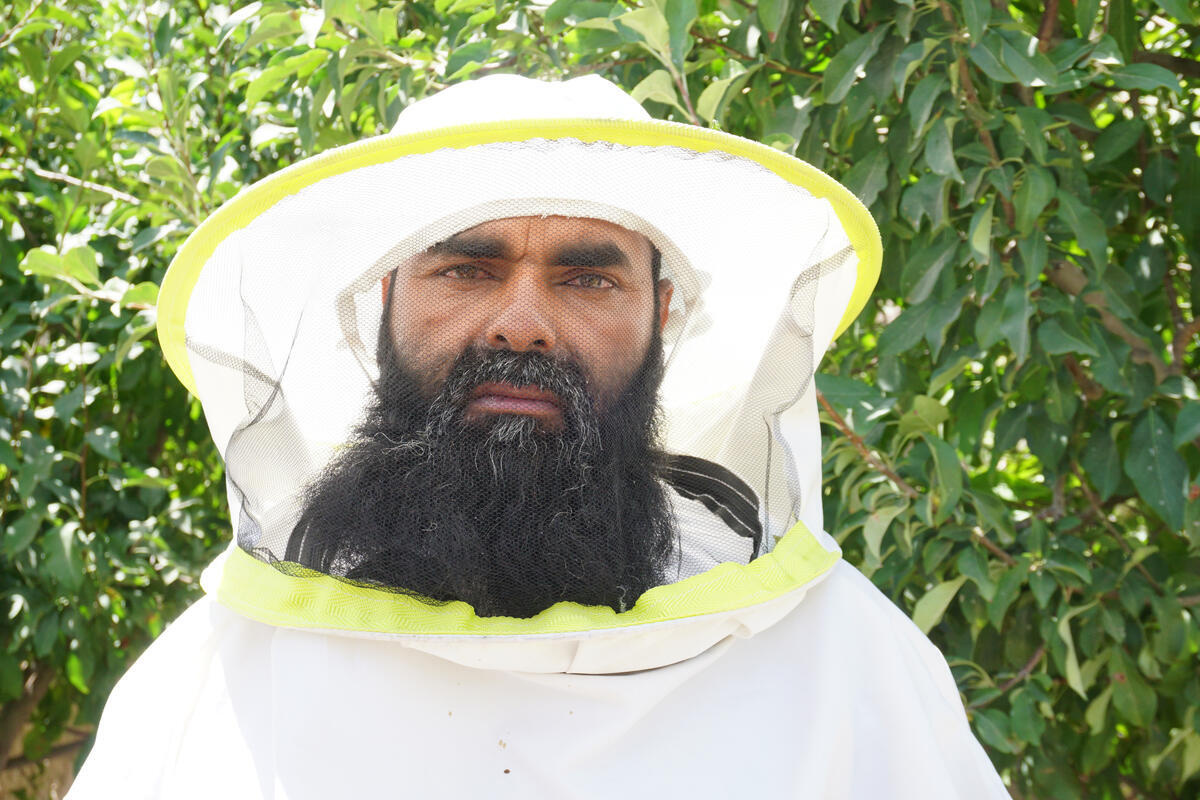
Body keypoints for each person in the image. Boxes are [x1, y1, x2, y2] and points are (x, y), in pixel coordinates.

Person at [68, 74, 1010, 798]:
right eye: (468, 269)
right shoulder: (221, 675)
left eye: (587, 278)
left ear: (662, 315)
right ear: (382, 306)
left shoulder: (842, 659)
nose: (522, 323)